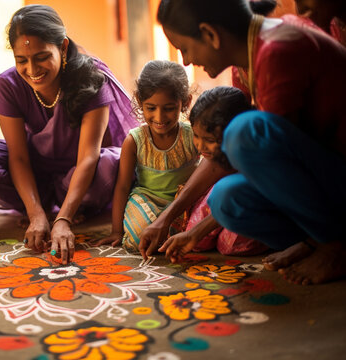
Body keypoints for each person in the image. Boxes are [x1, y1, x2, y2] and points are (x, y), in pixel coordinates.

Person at [141, 0, 346, 285]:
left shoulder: (278, 51)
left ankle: (334, 244)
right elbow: (235, 159)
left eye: (184, 48)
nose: (186, 61)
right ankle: (314, 239)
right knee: (225, 200)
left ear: (211, 35)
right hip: (322, 180)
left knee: (242, 133)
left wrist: (199, 230)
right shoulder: (246, 63)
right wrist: (168, 217)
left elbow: (258, 153)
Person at [0, 5, 139, 265]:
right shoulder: (7, 85)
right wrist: (35, 215)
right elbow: (19, 158)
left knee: (113, 163)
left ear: (64, 48)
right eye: (21, 60)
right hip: (35, 169)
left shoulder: (91, 79)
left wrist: (63, 219)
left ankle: (71, 206)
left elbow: (89, 158)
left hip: (80, 171)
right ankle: (41, 203)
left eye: (42, 56)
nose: (32, 69)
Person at [94, 60, 198, 253]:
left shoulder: (192, 135)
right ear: (140, 102)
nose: (159, 118)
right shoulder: (135, 140)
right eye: (151, 108)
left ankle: (175, 234)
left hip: (184, 202)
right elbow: (123, 186)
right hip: (147, 200)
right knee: (136, 239)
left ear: (186, 102)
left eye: (169, 108)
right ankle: (171, 235)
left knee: (206, 228)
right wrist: (117, 231)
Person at [160, 86, 268, 262]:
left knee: (232, 246)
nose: (201, 146)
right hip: (226, 193)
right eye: (196, 136)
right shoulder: (213, 158)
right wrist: (194, 232)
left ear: (233, 134)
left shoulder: (253, 153)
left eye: (210, 140)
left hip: (254, 200)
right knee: (198, 242)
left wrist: (199, 230)